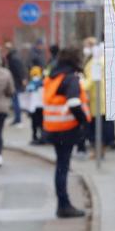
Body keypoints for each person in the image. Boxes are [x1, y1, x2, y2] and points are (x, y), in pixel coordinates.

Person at [43, 47, 88, 219]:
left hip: (53, 128)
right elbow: (74, 102)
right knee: (63, 167)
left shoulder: (53, 76)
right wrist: (84, 120)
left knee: (60, 167)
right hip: (66, 129)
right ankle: (64, 205)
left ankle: (62, 204)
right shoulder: (71, 79)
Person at [5, 41, 26, 126]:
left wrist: (22, 79)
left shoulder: (13, 59)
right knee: (15, 101)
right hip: (15, 82)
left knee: (16, 101)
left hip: (15, 82)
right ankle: (17, 118)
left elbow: (19, 70)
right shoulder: (13, 58)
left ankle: (18, 119)